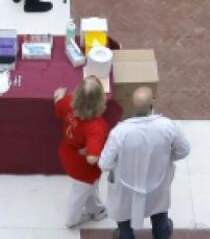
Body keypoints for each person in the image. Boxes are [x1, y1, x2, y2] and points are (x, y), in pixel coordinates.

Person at [98, 87, 190, 239]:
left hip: (125, 189)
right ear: (153, 102)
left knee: (124, 217)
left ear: (132, 103)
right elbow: (184, 150)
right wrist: (167, 158)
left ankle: (126, 236)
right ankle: (162, 235)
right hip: (157, 185)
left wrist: (122, 165)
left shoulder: (119, 132)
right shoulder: (167, 126)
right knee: (159, 213)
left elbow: (104, 164)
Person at [53, 75, 111, 228]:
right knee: (79, 195)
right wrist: (92, 151)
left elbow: (58, 104)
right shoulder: (97, 127)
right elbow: (92, 159)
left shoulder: (68, 103)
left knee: (88, 190)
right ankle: (71, 220)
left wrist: (60, 95)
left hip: (69, 154)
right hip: (84, 170)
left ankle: (97, 210)